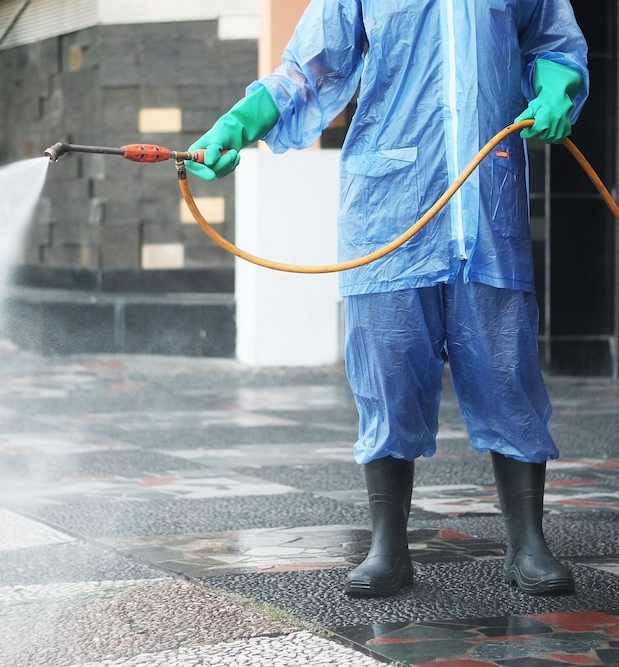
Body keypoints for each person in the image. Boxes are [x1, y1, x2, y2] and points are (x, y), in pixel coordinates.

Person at [186, 1, 589, 598]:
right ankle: (388, 546)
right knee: (388, 372)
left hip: (486, 204)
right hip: (389, 205)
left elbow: (552, 43)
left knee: (508, 373)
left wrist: (558, 87)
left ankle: (528, 543)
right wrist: (238, 125)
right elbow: (309, 68)